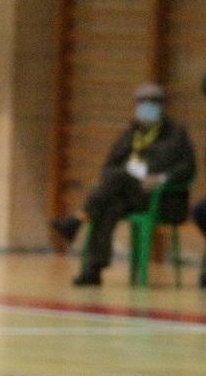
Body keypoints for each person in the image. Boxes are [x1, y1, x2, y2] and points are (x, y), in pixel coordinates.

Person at [50, 83, 195, 286]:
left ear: (162, 106)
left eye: (152, 102)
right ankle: (93, 270)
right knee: (108, 205)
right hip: (131, 193)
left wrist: (161, 178)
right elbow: (109, 166)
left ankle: (76, 220)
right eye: (142, 102)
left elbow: (188, 169)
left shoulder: (176, 134)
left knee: (116, 180)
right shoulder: (131, 133)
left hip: (162, 198)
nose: (147, 106)